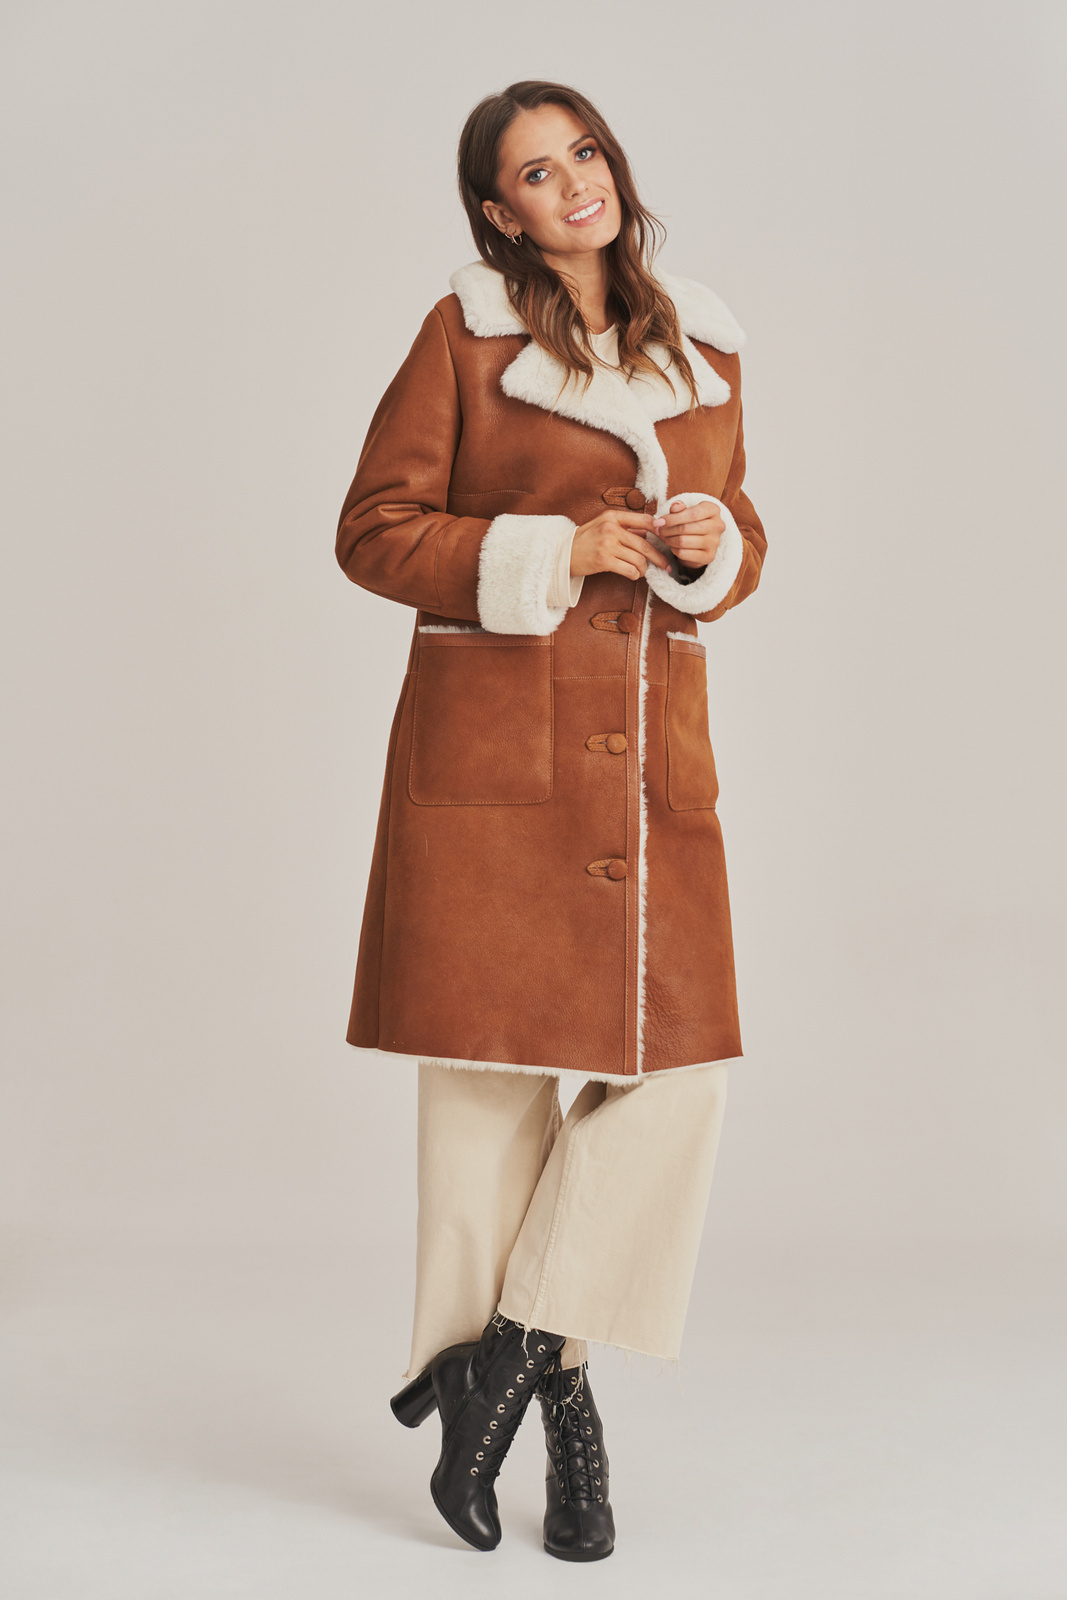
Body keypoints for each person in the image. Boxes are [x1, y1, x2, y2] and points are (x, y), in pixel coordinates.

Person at [335, 79, 767, 1561]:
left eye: (585, 151)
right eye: (535, 170)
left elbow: (745, 529)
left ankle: (505, 1357)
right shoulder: (463, 338)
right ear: (496, 211)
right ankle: (567, 1421)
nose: (574, 180)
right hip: (499, 750)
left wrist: (712, 543)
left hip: (646, 752)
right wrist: (556, 550)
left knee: (677, 1075)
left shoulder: (705, 345)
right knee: (489, 1095)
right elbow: (374, 532)